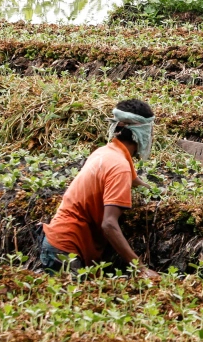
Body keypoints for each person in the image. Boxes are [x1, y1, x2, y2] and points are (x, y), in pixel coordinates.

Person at [38, 98, 160, 276]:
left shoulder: (105, 152)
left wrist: (157, 191)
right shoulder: (120, 167)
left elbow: (134, 180)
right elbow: (109, 224)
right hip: (65, 251)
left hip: (56, 242)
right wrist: (140, 268)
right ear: (142, 133)